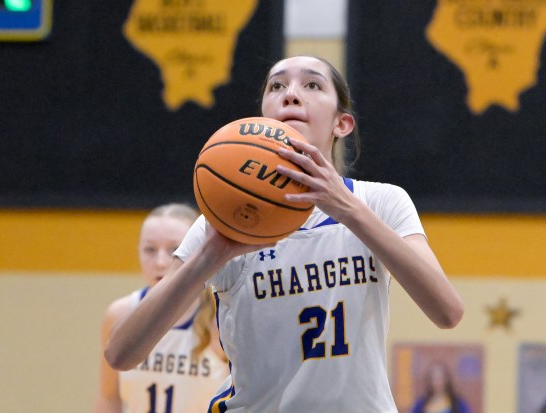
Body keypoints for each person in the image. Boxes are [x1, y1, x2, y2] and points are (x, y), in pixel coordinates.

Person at [104, 56, 465, 412]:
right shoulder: (224, 220)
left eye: (312, 85)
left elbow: (447, 312)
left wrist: (348, 210)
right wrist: (210, 256)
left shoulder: (381, 202)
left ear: (342, 124)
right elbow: (122, 353)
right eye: (277, 86)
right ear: (263, 119)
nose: (291, 94)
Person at [94, 203, 229, 413]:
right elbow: (108, 397)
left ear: (197, 250)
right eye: (150, 249)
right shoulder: (119, 314)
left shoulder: (221, 317)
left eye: (174, 250)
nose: (160, 262)